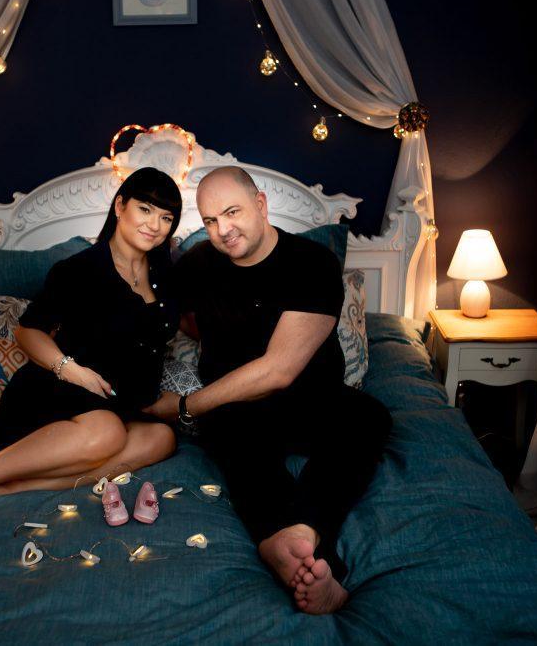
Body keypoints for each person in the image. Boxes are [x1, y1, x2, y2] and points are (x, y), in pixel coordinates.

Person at [145, 166, 392, 615]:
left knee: (368, 418)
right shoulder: (198, 264)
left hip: (312, 399)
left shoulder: (313, 262)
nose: (223, 229)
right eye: (210, 220)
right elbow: (166, 311)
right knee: (236, 440)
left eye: (232, 212)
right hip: (237, 406)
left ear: (260, 204)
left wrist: (184, 406)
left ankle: (295, 534)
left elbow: (279, 371)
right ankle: (298, 545)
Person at [0, 167, 182, 515]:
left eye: (166, 217)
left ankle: (9, 488)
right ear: (120, 206)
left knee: (162, 438)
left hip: (118, 404)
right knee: (108, 433)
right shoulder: (79, 270)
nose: (154, 224)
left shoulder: (167, 277)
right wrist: (71, 370)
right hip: (56, 395)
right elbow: (27, 331)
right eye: (145, 209)